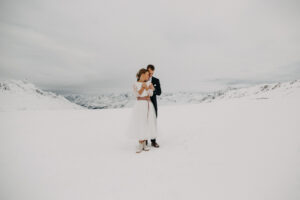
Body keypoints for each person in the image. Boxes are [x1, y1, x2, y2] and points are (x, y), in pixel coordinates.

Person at [127, 68, 158, 153]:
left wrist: (150, 88)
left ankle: (144, 143)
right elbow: (137, 94)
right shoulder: (135, 84)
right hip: (140, 105)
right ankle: (140, 143)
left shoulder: (149, 83)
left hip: (148, 104)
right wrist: (143, 87)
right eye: (147, 74)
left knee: (146, 122)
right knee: (140, 122)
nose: (148, 76)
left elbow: (150, 94)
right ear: (143, 74)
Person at [145, 64, 161, 148]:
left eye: (152, 73)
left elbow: (159, 92)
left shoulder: (156, 80)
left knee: (153, 122)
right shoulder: (141, 79)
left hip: (153, 104)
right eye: (149, 72)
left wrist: (153, 89)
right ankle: (144, 141)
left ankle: (153, 141)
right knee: (144, 122)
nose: (151, 75)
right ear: (146, 70)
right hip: (143, 104)